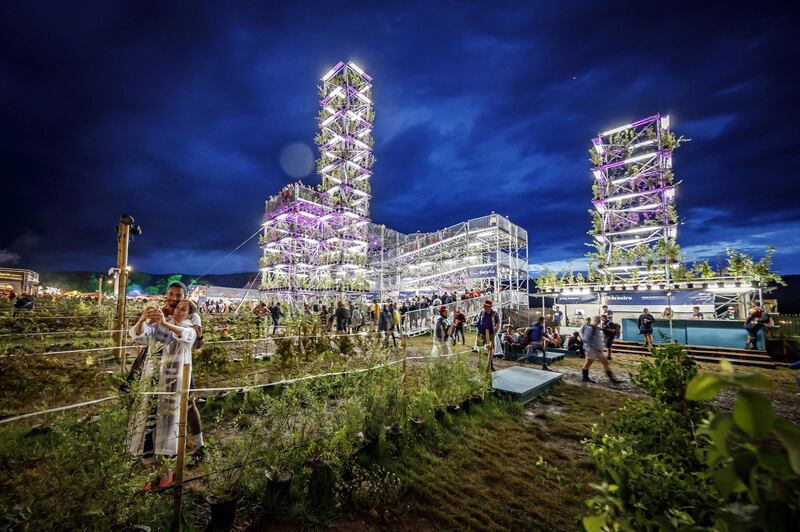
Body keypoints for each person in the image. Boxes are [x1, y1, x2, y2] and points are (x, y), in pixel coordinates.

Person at [128, 300, 197, 467]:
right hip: (154, 378)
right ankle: (149, 459)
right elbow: (140, 336)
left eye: (183, 310)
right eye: (178, 308)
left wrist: (164, 323)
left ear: (188, 315)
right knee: (150, 415)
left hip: (174, 380)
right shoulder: (162, 325)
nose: (178, 311)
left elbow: (183, 335)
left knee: (170, 418)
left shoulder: (190, 328)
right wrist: (142, 320)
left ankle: (167, 464)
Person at [581, 316, 621, 383]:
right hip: (591, 349)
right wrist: (590, 348)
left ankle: (612, 379)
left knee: (605, 362)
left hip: (597, 349)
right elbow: (585, 339)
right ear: (594, 320)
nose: (600, 321)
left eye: (600, 319)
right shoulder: (590, 327)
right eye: (598, 319)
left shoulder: (596, 327)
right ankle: (585, 377)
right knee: (588, 362)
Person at [475, 300, 501, 367]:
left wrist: (493, 334)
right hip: (481, 333)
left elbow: (498, 325)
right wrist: (479, 331)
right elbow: (478, 322)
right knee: (480, 348)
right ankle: (479, 362)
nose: (483, 306)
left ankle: (490, 364)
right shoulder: (482, 312)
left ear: (489, 307)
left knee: (490, 349)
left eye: (485, 305)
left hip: (491, 334)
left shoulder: (495, 314)